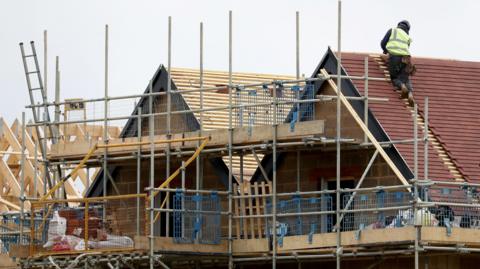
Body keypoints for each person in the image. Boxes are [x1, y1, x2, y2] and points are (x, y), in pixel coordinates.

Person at [381, 20, 415, 106]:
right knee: (406, 77)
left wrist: (385, 51)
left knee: (394, 77)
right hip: (406, 58)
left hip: (394, 56)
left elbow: (383, 43)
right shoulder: (407, 36)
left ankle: (401, 86)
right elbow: (406, 48)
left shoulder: (392, 31)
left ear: (399, 25)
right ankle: (410, 93)